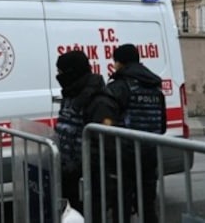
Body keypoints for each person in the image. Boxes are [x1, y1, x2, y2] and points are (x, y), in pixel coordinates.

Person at [54, 50, 120, 221]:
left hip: (89, 180)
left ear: (72, 72)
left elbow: (105, 144)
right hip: (71, 178)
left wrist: (80, 167)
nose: (58, 76)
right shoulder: (72, 94)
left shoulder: (99, 101)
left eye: (61, 73)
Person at [106, 43, 166, 223]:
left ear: (120, 62)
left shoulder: (119, 86)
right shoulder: (155, 87)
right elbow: (161, 125)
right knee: (148, 205)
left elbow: (108, 121)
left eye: (115, 61)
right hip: (149, 153)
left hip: (124, 156)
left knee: (121, 205)